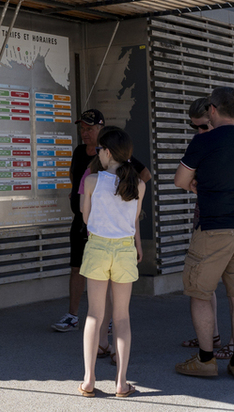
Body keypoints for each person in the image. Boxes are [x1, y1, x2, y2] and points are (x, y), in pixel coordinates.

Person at [174, 86, 234, 382]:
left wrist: (196, 185)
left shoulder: (204, 141)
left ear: (212, 109)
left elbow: (180, 179)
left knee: (199, 292)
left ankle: (206, 359)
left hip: (213, 228)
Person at [52, 110, 150, 334]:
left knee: (108, 287)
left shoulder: (116, 152)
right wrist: (80, 194)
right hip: (84, 223)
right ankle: (74, 316)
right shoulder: (79, 152)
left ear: (101, 129)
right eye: (82, 129)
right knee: (77, 267)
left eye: (89, 129)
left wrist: (125, 196)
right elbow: (75, 177)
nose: (85, 133)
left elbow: (143, 175)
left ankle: (109, 325)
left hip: (109, 232)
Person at [78, 127, 144, 398]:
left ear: (106, 152)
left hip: (98, 247)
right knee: (122, 317)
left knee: (95, 314)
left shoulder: (93, 181)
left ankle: (89, 379)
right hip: (125, 251)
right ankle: (122, 382)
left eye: (99, 150)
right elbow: (134, 219)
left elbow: (85, 218)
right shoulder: (137, 183)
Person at [178, 98, 234, 360]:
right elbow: (184, 178)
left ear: (212, 118)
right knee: (205, 283)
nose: (199, 132)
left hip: (230, 220)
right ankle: (211, 336)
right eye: (195, 128)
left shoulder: (230, 141)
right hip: (205, 215)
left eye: (202, 127)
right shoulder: (203, 143)